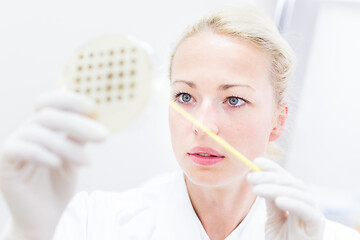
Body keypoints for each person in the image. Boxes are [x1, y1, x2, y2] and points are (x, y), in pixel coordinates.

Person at [1, 5, 359, 240]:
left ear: (277, 122)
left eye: (234, 99)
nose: (202, 125)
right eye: (185, 97)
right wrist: (29, 231)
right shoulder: (98, 223)